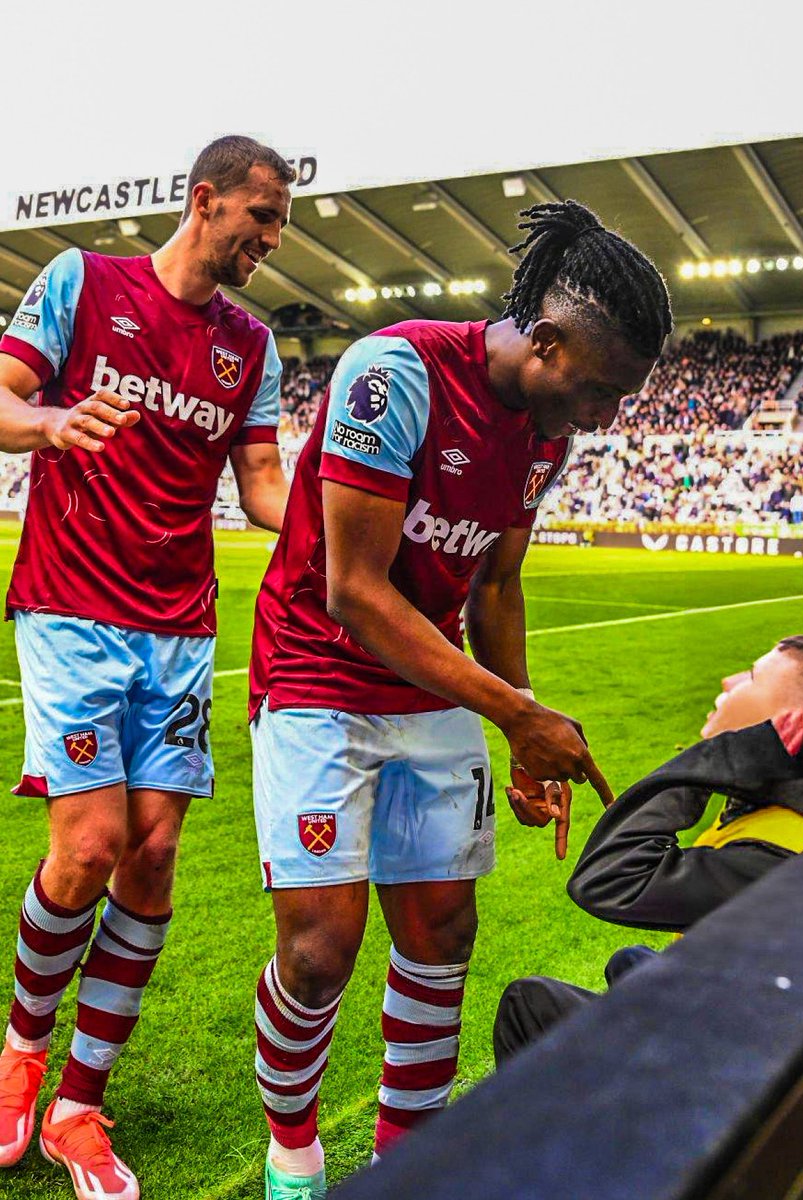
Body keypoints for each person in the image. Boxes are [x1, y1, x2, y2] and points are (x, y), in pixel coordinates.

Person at [247, 199, 672, 1198]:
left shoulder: (542, 426)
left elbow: (494, 581)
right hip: (317, 671)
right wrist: (515, 716)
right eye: (601, 389)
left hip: (431, 680)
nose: (604, 417)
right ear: (548, 340)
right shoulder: (390, 373)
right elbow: (355, 594)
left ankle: (412, 1161)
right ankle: (293, 1159)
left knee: (442, 930)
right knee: (319, 949)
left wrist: (518, 711)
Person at [0, 135, 294, 1200]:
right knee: (89, 843)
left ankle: (80, 1101)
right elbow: (1, 398)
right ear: (205, 200)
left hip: (178, 628)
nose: (268, 240)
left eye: (279, 227)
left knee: (155, 854)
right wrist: (49, 420)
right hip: (72, 607)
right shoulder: (83, 281)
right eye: (258, 218)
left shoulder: (250, 346)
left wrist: (344, 521)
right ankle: (21, 1050)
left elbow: (261, 481)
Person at [493, 635, 803, 1065]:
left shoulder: (776, 859)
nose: (730, 680)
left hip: (730, 1067)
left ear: (782, 731)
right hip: (756, 1018)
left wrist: (720, 757)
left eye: (753, 677)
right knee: (631, 962)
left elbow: (605, 880)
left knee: (528, 1004)